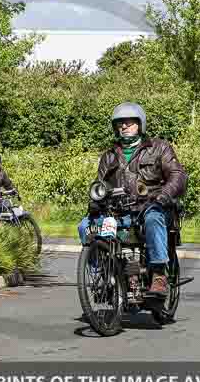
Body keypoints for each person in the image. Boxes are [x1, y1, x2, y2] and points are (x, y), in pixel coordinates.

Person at [77, 102, 188, 297]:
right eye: (120, 123)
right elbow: (100, 186)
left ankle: (159, 275)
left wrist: (163, 196)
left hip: (152, 207)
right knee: (85, 226)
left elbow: (178, 176)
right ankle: (103, 272)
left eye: (129, 122)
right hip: (119, 212)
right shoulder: (109, 156)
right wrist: (95, 203)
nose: (124, 126)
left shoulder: (159, 148)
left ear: (140, 124)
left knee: (153, 219)